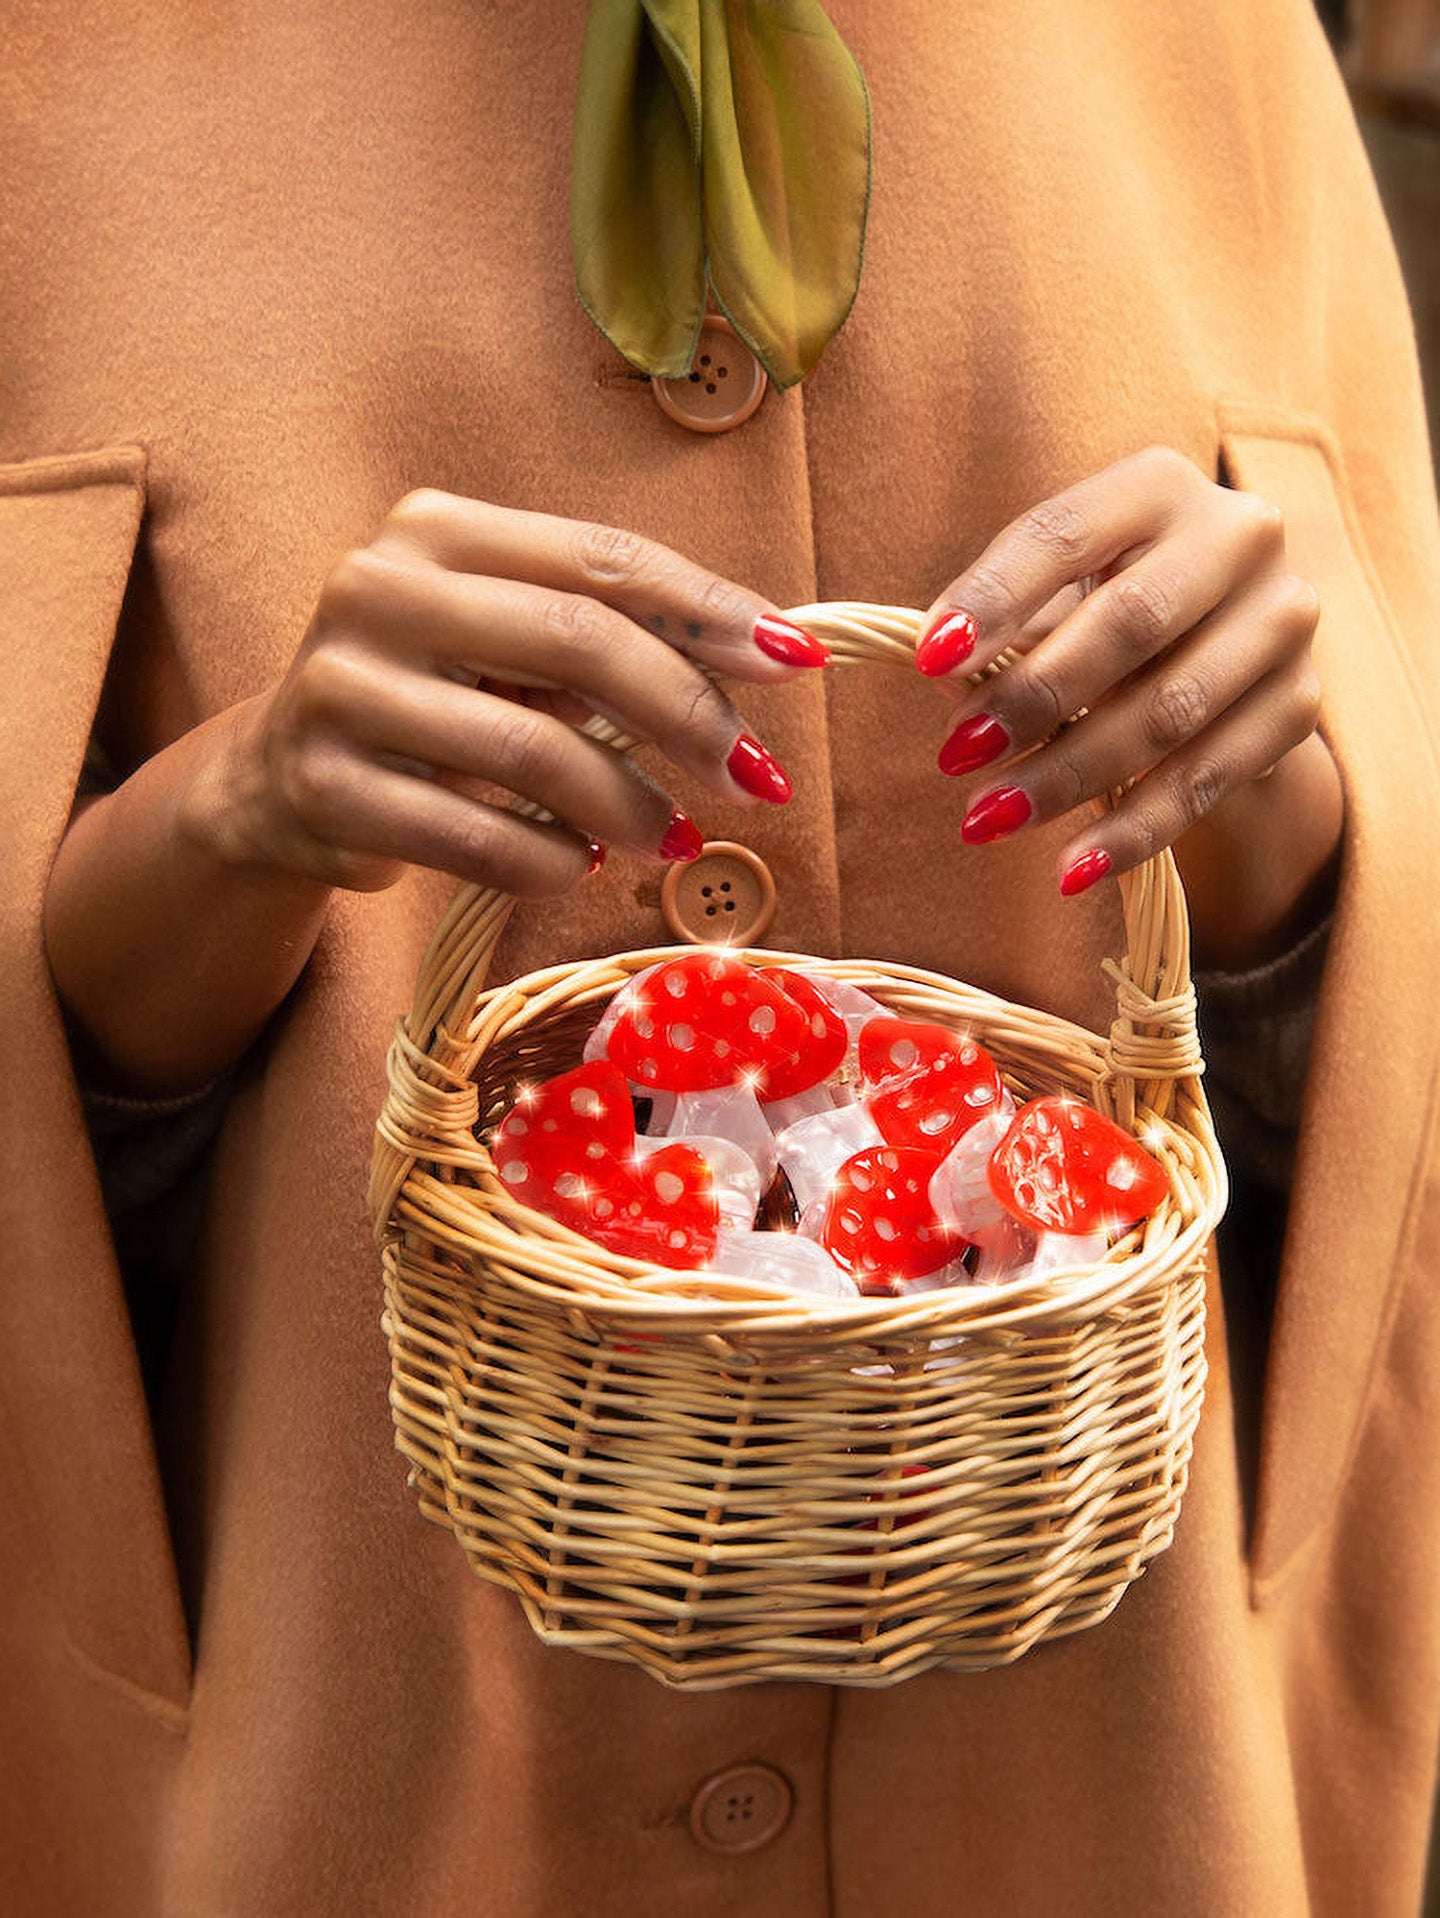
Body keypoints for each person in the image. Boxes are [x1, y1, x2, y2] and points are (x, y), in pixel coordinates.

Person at [2, 2, 1437, 1911]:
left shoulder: (1210, 51)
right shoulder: (57, 71)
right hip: (370, 1768)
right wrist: (233, 820)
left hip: (1077, 1780)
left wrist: (1261, 795)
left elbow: (1366, 1149)